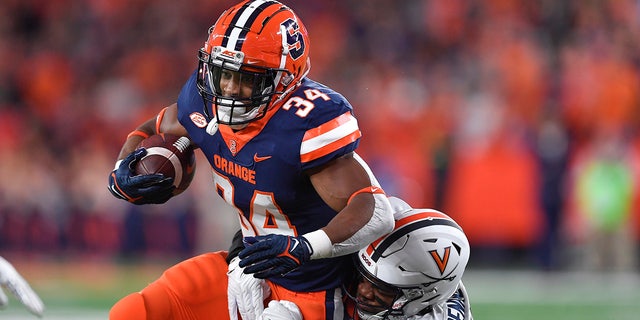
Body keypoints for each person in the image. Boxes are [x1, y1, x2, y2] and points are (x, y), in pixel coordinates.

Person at [107, 1, 394, 319]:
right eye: (223, 73)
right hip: (246, 267)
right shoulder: (202, 100)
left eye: (247, 78)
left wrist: (306, 247)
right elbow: (151, 128)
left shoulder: (303, 125)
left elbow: (375, 213)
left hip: (312, 290)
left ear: (284, 79)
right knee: (133, 312)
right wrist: (122, 169)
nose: (228, 88)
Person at [109, 197, 472, 320]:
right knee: (134, 312)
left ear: (421, 297)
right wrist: (242, 260)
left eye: (381, 291)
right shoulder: (367, 225)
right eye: (363, 273)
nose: (362, 290)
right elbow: (276, 225)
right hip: (281, 292)